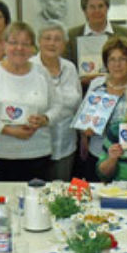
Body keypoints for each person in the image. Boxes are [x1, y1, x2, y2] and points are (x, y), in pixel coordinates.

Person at [0, 22, 63, 182]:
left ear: (32, 48)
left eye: (25, 43)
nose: (19, 48)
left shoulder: (41, 72)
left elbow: (57, 106)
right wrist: (9, 130)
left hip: (38, 153)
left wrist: (45, 119)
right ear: (4, 44)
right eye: (14, 42)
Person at [75, 36, 127, 182]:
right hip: (97, 153)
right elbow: (85, 115)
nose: (117, 64)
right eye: (112, 59)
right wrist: (85, 131)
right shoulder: (96, 84)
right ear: (106, 63)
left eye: (122, 59)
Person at [31, 21, 82, 181]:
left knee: (61, 192)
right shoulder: (29, 67)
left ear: (64, 44)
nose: (52, 43)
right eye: (47, 38)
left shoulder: (70, 68)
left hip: (66, 145)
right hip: (35, 145)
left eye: (57, 39)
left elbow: (78, 104)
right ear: (39, 41)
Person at [63, 0, 127, 85]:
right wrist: (80, 80)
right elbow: (65, 68)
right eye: (92, 7)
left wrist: (114, 76)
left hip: (116, 90)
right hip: (82, 93)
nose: (97, 11)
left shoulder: (124, 34)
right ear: (85, 11)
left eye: (101, 6)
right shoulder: (72, 35)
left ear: (107, 8)